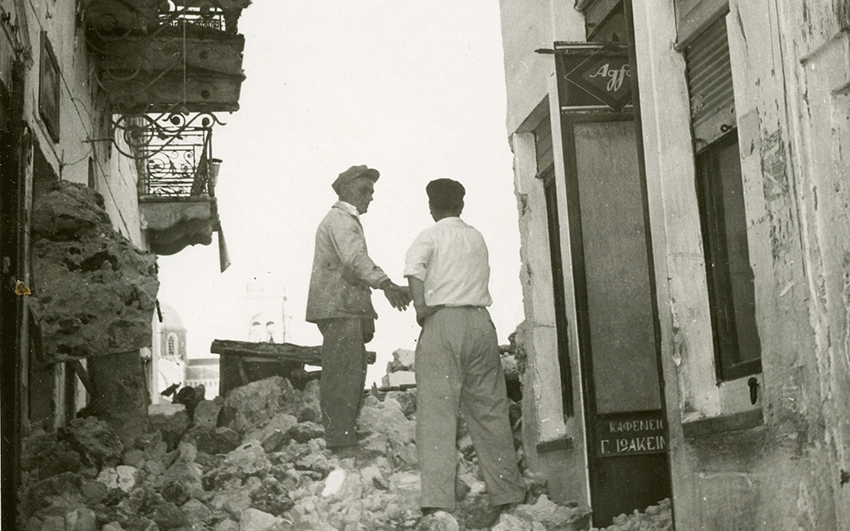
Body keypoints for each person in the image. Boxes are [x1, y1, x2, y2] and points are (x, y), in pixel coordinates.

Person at [404, 178, 526, 514]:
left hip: (444, 322)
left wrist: (420, 307)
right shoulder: (475, 236)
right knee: (490, 410)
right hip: (481, 323)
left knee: (437, 413)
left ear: (432, 207)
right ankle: (507, 493)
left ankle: (438, 501)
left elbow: (414, 268)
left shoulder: (430, 235)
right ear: (461, 205)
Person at [306, 164, 410, 451]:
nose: (370, 197)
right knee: (343, 375)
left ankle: (343, 434)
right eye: (365, 190)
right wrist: (386, 284)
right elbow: (354, 259)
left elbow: (351, 269)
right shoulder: (341, 220)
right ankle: (340, 441)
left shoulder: (344, 220)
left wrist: (368, 310)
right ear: (346, 189)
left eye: (372, 192)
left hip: (345, 308)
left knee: (349, 372)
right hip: (340, 309)